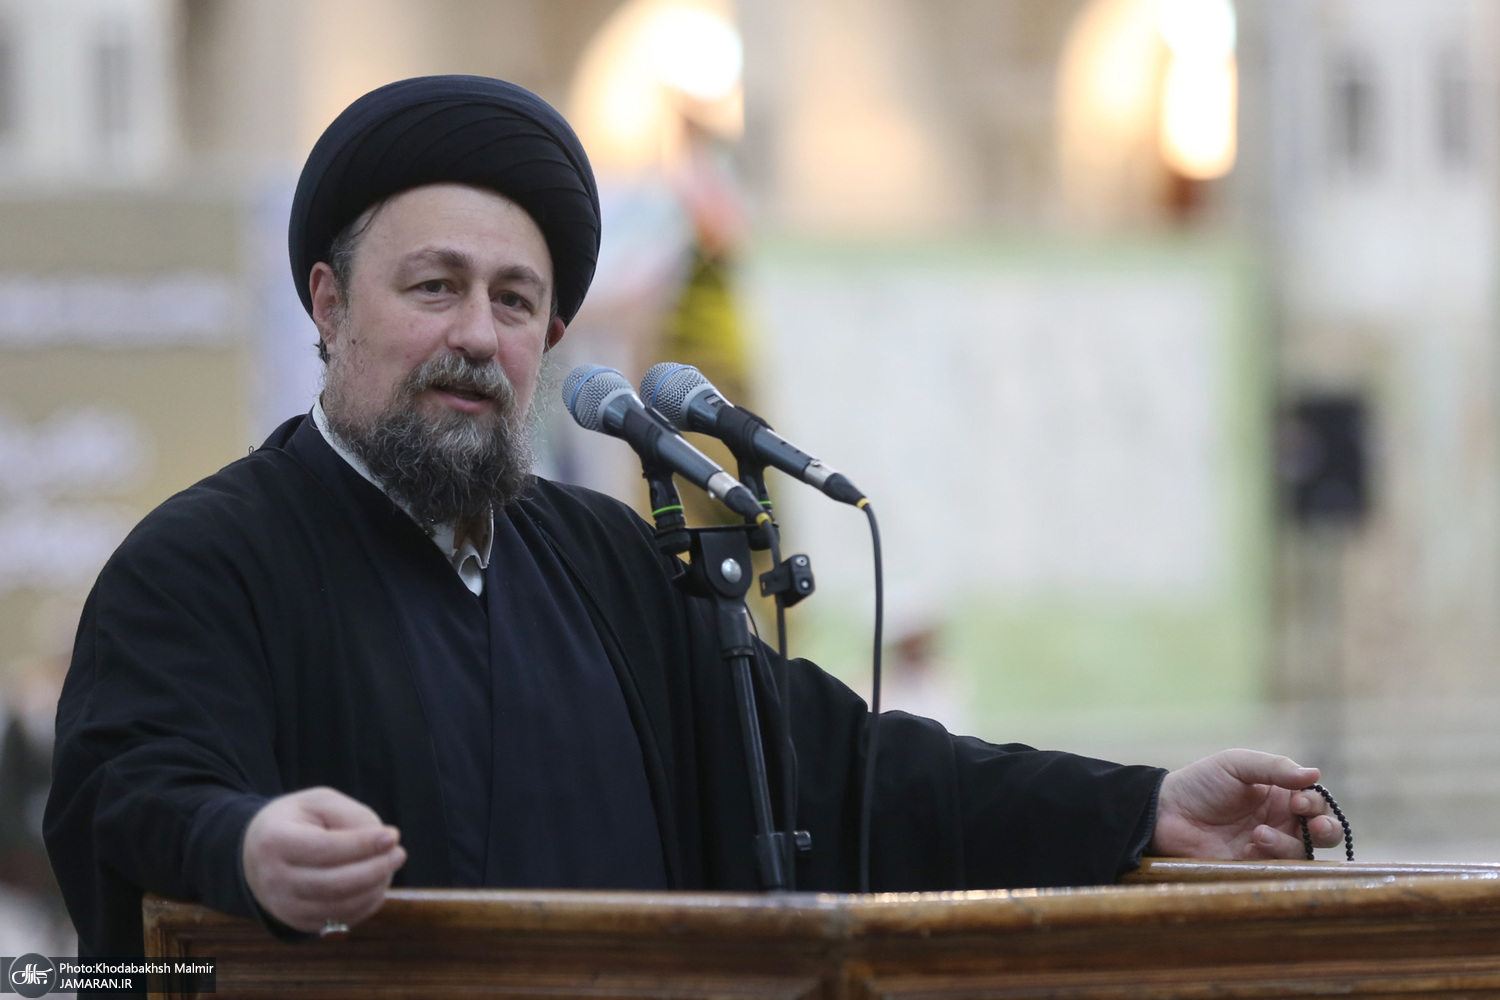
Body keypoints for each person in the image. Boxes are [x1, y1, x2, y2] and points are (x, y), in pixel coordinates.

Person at [44, 76, 1340, 961]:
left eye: (513, 302)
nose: (476, 335)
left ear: (551, 339)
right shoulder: (208, 560)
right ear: (328, 307)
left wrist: (1143, 809)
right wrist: (244, 846)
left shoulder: (603, 559)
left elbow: (846, 772)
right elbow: (126, 789)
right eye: (433, 287)